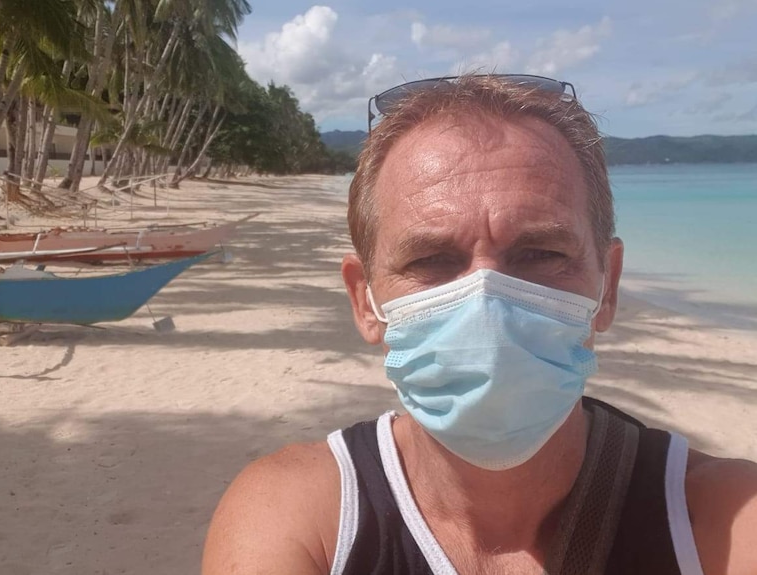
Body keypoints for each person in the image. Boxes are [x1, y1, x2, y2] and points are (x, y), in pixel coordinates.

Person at [202, 74, 757, 575]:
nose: (485, 301)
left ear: (606, 286)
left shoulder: (724, 521)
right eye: (429, 260)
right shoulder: (301, 518)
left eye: (540, 252)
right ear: (365, 301)